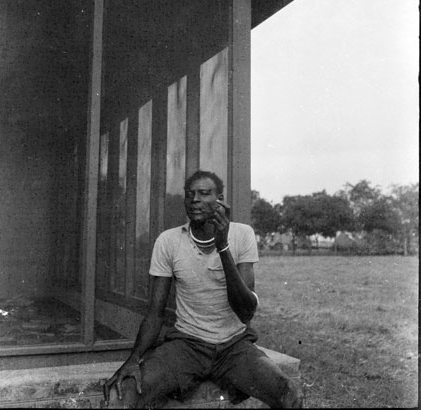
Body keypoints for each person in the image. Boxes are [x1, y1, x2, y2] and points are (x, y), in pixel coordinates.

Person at [103, 170, 303, 408]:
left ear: (220, 199)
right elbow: (154, 313)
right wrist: (133, 359)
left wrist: (223, 245)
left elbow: (246, 311)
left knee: (289, 393)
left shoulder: (242, 234)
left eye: (204, 193)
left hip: (234, 346)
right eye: (190, 195)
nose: (195, 199)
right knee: (121, 395)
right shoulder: (168, 241)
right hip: (187, 345)